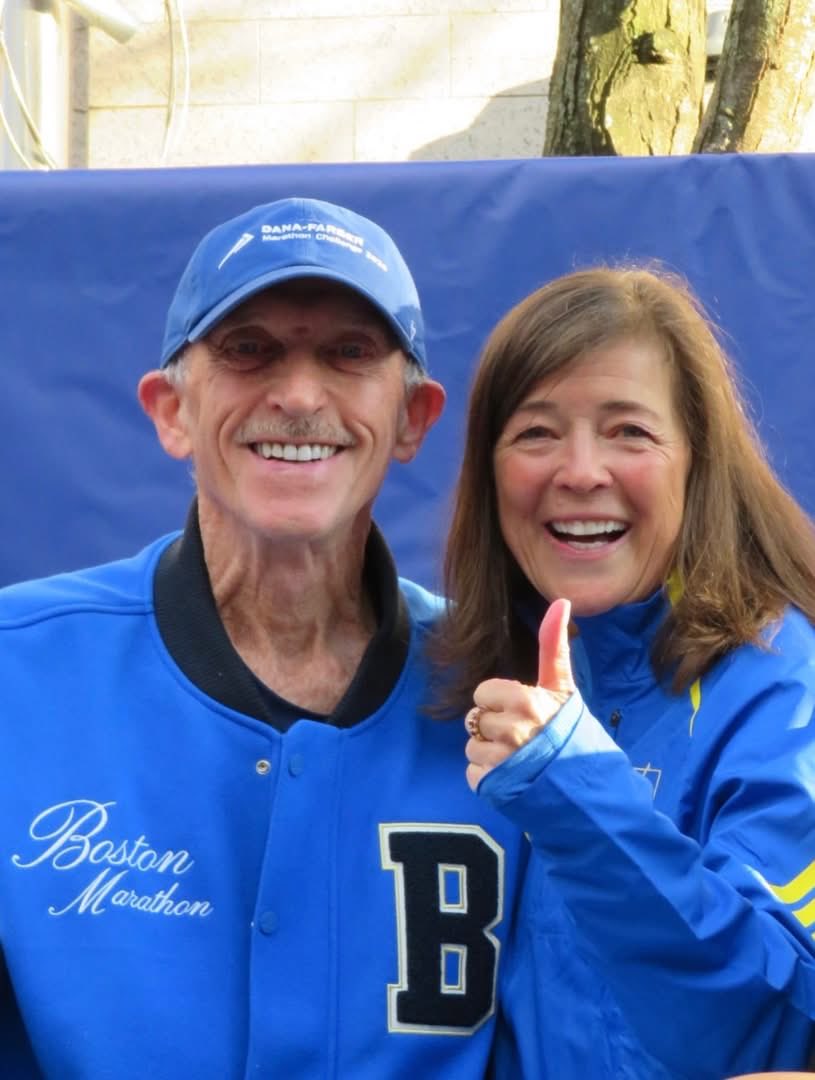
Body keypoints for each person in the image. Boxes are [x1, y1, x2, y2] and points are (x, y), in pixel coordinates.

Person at [0, 197, 528, 1078]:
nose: (297, 394)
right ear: (170, 410)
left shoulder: (507, 700)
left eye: (349, 353)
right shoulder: (18, 669)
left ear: (413, 418)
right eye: (248, 350)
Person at [435, 265, 815, 1079]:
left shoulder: (783, 685)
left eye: (628, 433)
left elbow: (775, 1016)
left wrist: (576, 790)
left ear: (695, 461)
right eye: (535, 432)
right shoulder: (462, 678)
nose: (579, 471)